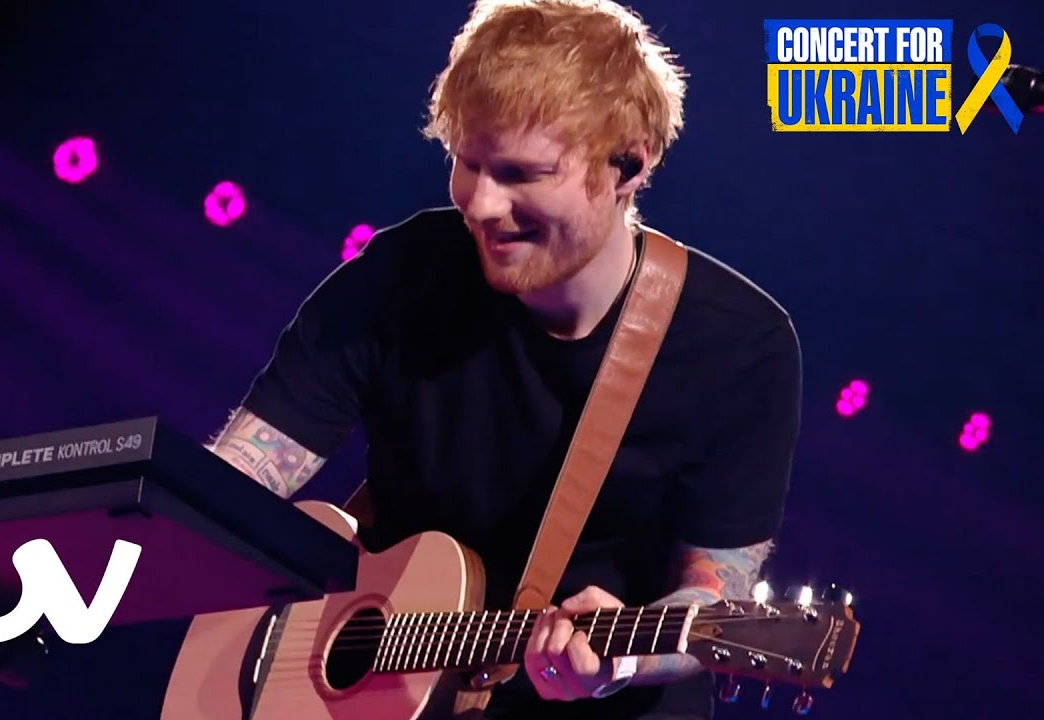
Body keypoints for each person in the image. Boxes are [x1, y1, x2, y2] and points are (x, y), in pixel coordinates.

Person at [206, 0, 802, 717]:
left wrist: (625, 659)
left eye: (522, 173)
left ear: (628, 165)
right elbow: (230, 484)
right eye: (468, 163)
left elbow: (715, 594)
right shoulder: (400, 275)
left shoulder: (739, 346)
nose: (482, 205)